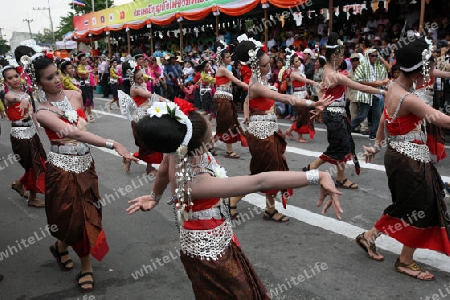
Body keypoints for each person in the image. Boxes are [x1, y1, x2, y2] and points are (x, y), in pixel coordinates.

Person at [126, 99, 343, 299]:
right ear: (200, 138)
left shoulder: (177, 149)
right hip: (208, 252)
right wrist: (317, 175)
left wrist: (154, 197)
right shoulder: (196, 183)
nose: (211, 122)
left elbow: (164, 168)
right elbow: (260, 182)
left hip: (216, 237)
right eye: (208, 123)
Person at [30, 54, 137, 292]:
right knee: (67, 217)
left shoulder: (75, 96)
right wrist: (113, 144)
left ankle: (85, 265)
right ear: (39, 84)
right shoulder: (43, 112)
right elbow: (74, 133)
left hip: (85, 164)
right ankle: (60, 246)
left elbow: (80, 130)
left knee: (87, 214)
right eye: (49, 77)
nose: (57, 79)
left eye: (57, 73)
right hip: (61, 169)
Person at [359, 35, 450, 280]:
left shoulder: (393, 86)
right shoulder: (408, 98)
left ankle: (369, 237)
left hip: (401, 157)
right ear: (418, 69)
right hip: (409, 160)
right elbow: (440, 119)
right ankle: (405, 261)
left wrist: (376, 146)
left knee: (406, 206)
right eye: (429, 66)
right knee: (421, 208)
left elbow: (383, 120)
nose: (432, 71)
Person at [229, 35, 334, 222]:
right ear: (254, 66)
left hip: (268, 129)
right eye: (263, 65)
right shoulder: (256, 85)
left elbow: (247, 100)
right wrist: (313, 102)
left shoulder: (260, 82)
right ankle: (235, 198)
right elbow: (286, 98)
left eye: (268, 63)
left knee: (272, 171)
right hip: (260, 133)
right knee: (264, 173)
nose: (268, 67)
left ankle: (266, 208)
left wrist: (246, 115)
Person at [302, 32, 387, 190]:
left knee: (340, 145)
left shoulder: (328, 71)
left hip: (335, 113)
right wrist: (382, 92)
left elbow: (321, 89)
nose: (343, 58)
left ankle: (311, 168)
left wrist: (321, 106)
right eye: (341, 55)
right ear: (334, 55)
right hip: (335, 114)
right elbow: (359, 86)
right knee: (341, 146)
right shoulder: (335, 75)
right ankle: (336, 177)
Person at [2, 64, 46, 207]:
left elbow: (32, 113)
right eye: (10, 78)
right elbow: (14, 99)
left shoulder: (26, 94)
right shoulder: (8, 96)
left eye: (16, 76)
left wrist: (37, 130)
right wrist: (23, 100)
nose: (15, 79)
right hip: (20, 136)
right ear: (5, 82)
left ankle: (20, 184)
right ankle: (32, 198)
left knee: (38, 162)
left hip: (31, 133)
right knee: (32, 165)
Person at [119, 64, 169, 175]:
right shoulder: (135, 89)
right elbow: (151, 96)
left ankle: (131, 159)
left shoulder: (143, 84)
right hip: (139, 120)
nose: (142, 79)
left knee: (152, 143)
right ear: (133, 80)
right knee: (146, 144)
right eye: (139, 78)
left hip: (148, 116)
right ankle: (149, 168)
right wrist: (165, 100)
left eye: (142, 76)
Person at [213, 41, 248, 158]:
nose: (229, 58)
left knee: (226, 123)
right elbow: (236, 81)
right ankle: (228, 151)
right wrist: (250, 87)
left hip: (225, 98)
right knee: (228, 123)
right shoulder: (223, 69)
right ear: (222, 59)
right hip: (223, 99)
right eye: (227, 57)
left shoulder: (224, 68)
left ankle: (208, 146)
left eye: (229, 56)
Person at [351, 48, 389, 139]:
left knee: (377, 115)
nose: (375, 57)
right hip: (365, 94)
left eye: (376, 56)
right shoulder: (362, 66)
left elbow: (389, 69)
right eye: (372, 56)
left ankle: (374, 133)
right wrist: (372, 84)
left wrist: (384, 81)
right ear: (368, 56)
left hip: (376, 94)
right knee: (362, 115)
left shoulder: (379, 66)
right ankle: (348, 127)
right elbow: (357, 80)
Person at [284, 52, 320, 143]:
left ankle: (289, 131)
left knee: (304, 115)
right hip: (298, 95)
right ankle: (299, 137)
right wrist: (314, 83)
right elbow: (303, 80)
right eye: (296, 61)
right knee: (302, 116)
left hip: (303, 94)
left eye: (299, 60)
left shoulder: (299, 71)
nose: (299, 62)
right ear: (292, 63)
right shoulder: (292, 73)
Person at [76, 53, 96, 123]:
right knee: (87, 101)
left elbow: (89, 74)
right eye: (83, 60)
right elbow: (81, 73)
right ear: (80, 61)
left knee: (88, 101)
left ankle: (81, 117)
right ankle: (90, 117)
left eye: (85, 59)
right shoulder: (79, 67)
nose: (85, 61)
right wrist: (89, 72)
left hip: (89, 84)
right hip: (83, 84)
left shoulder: (87, 66)